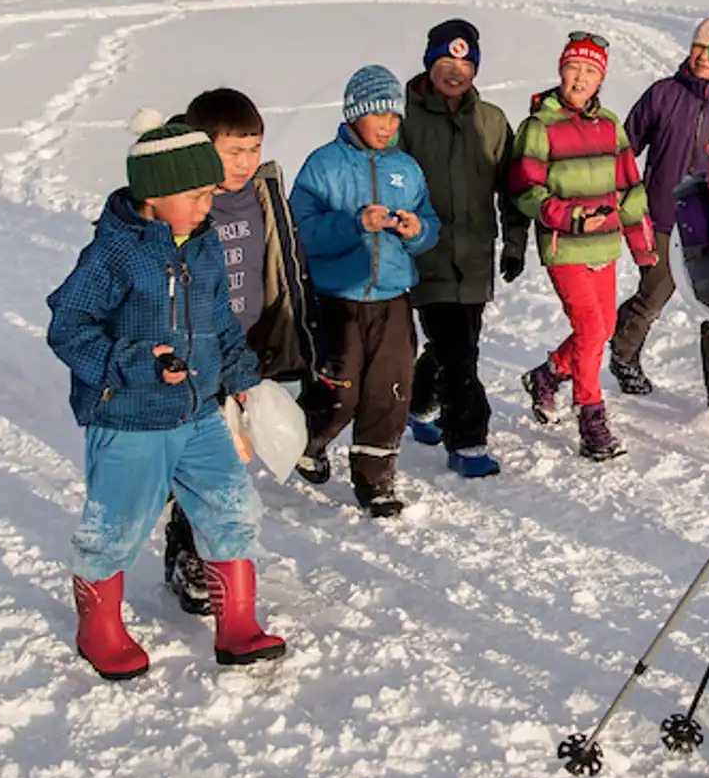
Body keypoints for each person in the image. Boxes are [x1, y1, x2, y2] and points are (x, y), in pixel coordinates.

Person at [46, 117, 283, 681]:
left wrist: (242, 375)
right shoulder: (113, 256)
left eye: (210, 193)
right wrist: (134, 365)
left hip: (198, 414)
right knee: (118, 524)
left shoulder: (201, 249)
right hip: (130, 418)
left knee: (233, 510)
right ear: (153, 197)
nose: (208, 205)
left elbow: (220, 323)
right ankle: (98, 629)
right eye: (197, 194)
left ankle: (238, 624)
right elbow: (68, 326)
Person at [159, 90, 318, 615]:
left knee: (232, 456)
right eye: (233, 152)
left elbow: (283, 262)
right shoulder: (182, 202)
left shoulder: (262, 193)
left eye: (253, 149)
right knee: (203, 458)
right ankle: (189, 553)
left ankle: (206, 548)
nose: (245, 162)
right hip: (192, 352)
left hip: (245, 346)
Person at [291, 65, 441, 518]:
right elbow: (302, 230)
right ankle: (308, 441)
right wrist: (354, 222)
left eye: (395, 118)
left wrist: (417, 231)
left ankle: (376, 482)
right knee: (341, 390)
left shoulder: (406, 168)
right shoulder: (324, 165)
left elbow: (429, 224)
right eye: (379, 117)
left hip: (393, 298)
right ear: (355, 114)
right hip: (339, 299)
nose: (388, 127)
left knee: (390, 389)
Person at [511, 32, 655, 462]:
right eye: (574, 68)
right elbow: (524, 191)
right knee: (592, 331)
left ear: (600, 81)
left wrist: (642, 247)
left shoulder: (610, 125)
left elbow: (632, 188)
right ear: (561, 70)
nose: (579, 79)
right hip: (565, 246)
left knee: (603, 328)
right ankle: (590, 417)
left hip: (604, 245)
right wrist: (567, 215)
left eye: (590, 72)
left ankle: (548, 374)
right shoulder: (539, 127)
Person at [608, 12, 709, 420]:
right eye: (697, 47)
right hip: (664, 217)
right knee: (653, 296)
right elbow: (624, 148)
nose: (703, 57)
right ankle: (623, 355)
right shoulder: (663, 94)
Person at [399, 19, 525, 479]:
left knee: (457, 343)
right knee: (458, 352)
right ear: (429, 63)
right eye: (445, 61)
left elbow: (512, 188)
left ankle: (420, 404)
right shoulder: (405, 121)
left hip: (475, 256)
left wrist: (514, 243)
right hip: (425, 255)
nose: (455, 71)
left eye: (465, 62)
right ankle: (467, 439)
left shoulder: (490, 121)